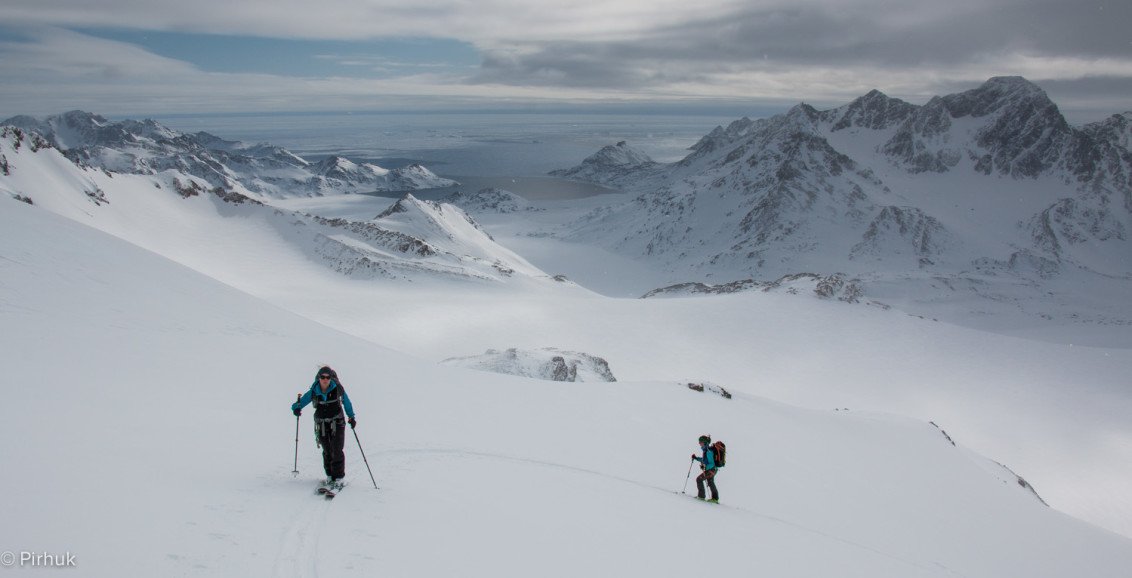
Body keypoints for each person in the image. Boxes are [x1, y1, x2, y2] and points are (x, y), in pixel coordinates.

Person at [291, 366, 356, 485]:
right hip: (321, 423)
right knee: (327, 449)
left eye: (328, 377)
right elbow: (301, 402)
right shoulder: (314, 390)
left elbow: (346, 401)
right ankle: (330, 475)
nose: (325, 379)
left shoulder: (338, 388)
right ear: (319, 378)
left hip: (337, 421)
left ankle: (339, 477)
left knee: (337, 448)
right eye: (323, 377)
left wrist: (351, 417)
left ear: (331, 378)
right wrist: (296, 408)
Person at [692, 434, 720, 502]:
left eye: (700, 442)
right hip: (713, 470)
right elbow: (705, 460)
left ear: (705, 443)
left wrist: (704, 466)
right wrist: (696, 458)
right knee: (710, 482)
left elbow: (712, 463)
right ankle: (715, 498)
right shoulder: (706, 450)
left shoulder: (708, 451)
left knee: (699, 479)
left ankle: (701, 496)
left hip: (711, 470)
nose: (699, 443)